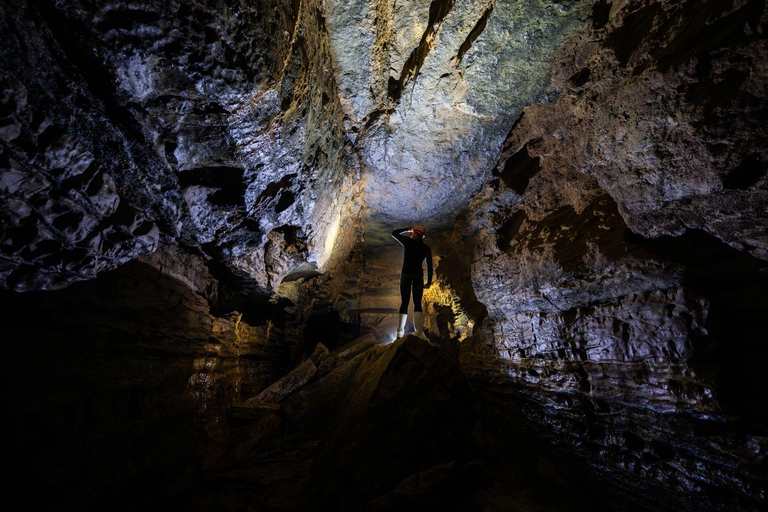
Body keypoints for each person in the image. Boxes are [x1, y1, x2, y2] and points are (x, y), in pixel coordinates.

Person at [391, 226, 433, 339]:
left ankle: (400, 333)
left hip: (406, 275)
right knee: (417, 303)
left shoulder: (408, 242)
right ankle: (419, 332)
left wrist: (407, 229)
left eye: (413, 233)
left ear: (415, 234)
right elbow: (430, 266)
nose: (411, 234)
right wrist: (429, 281)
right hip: (418, 276)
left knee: (404, 302)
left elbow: (394, 233)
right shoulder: (426, 248)